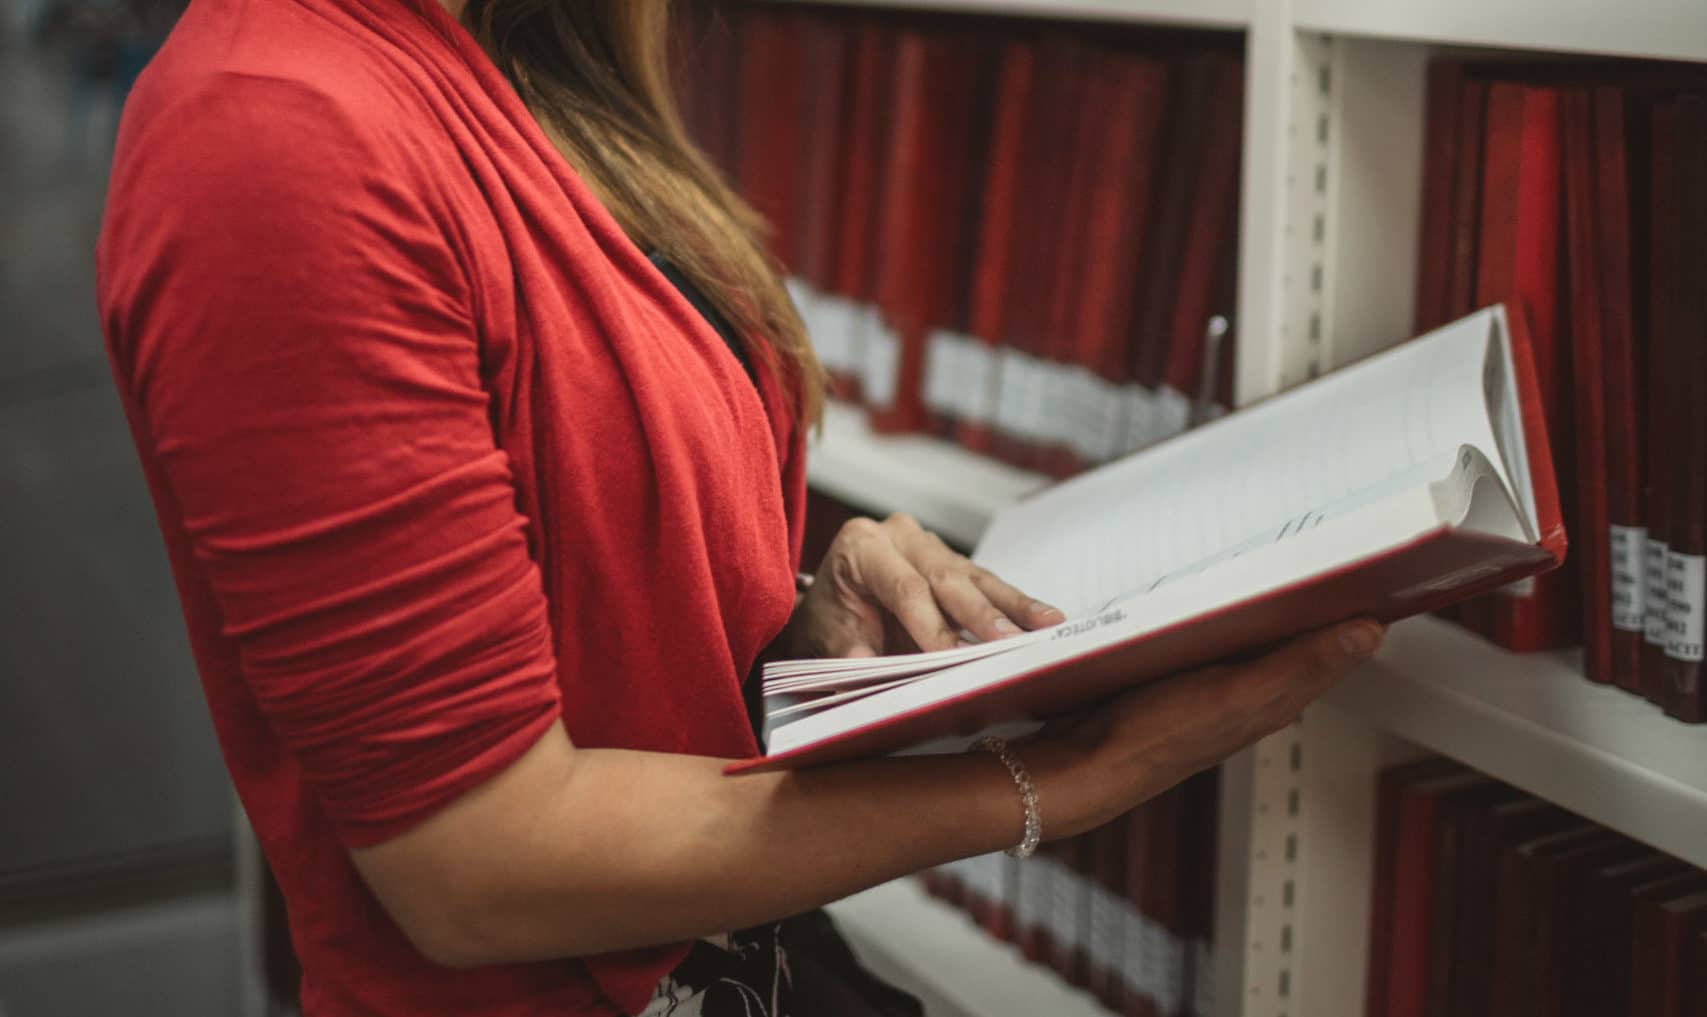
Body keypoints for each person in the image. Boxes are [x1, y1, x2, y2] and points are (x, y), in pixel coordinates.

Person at [94, 0, 1385, 1014]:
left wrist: (808, 637)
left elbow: (596, 638)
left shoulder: (512, 63)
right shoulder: (272, 126)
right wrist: (1059, 779)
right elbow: (474, 867)